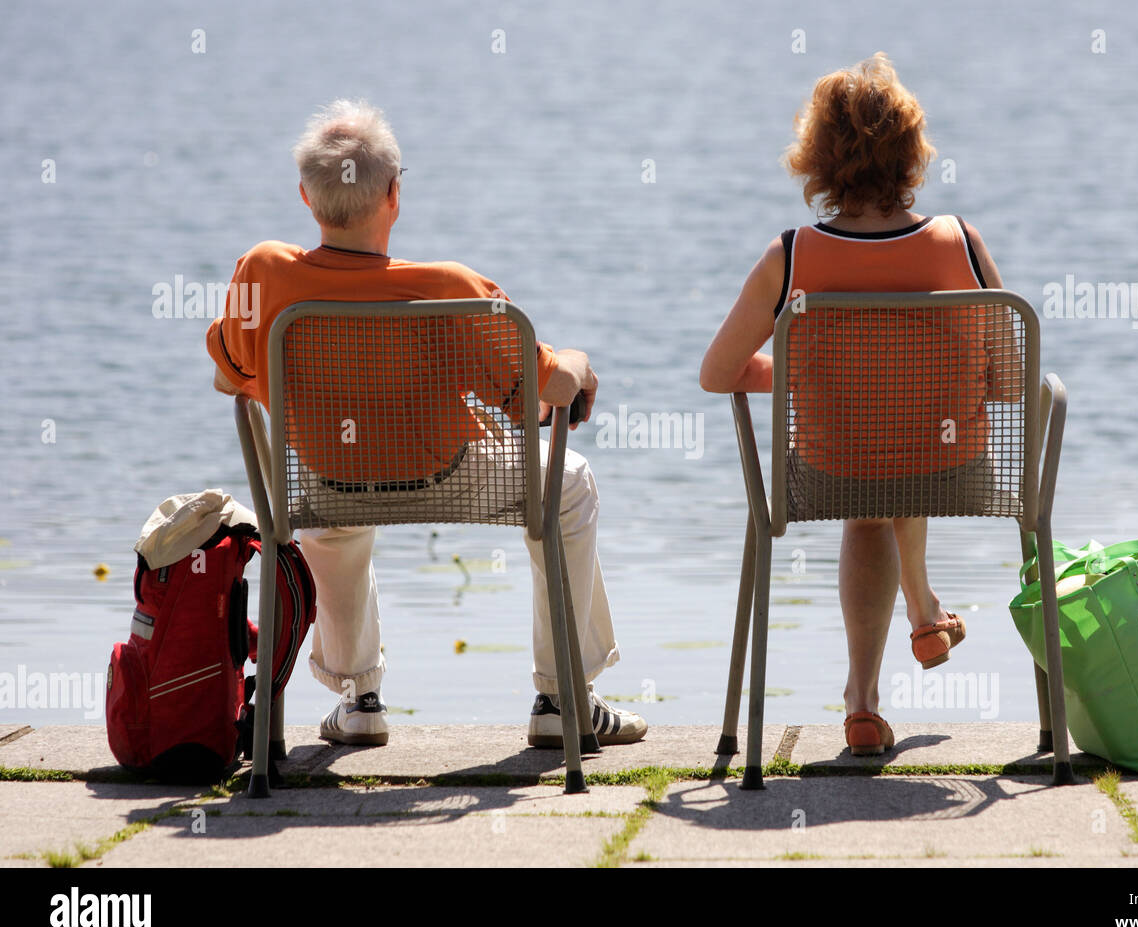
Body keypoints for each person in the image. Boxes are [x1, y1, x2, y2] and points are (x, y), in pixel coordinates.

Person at [206, 99, 646, 749]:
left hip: (323, 482)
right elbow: (549, 391)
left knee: (330, 504)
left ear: (306, 195)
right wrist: (578, 364)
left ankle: (361, 699)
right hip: (449, 476)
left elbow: (228, 374)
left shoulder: (263, 272)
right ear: (394, 193)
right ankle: (561, 698)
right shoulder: (450, 286)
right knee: (571, 484)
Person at [699, 54, 1021, 757]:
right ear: (911, 151)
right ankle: (924, 610)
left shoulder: (790, 257)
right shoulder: (959, 244)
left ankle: (864, 701)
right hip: (953, 468)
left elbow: (717, 374)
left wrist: (804, 379)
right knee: (905, 442)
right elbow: (1013, 383)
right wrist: (926, 380)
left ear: (816, 157)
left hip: (825, 473)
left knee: (868, 477)